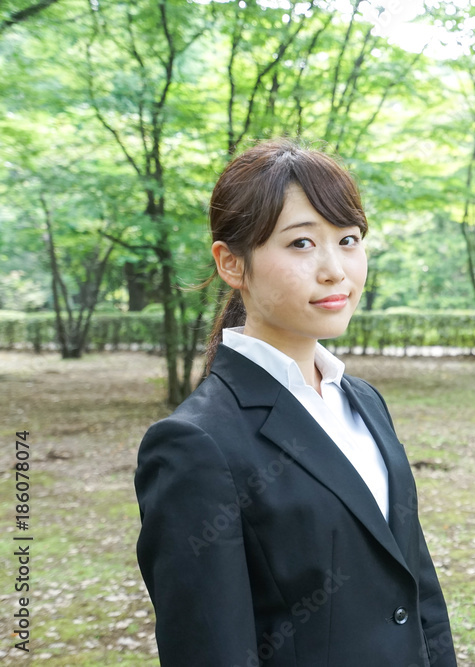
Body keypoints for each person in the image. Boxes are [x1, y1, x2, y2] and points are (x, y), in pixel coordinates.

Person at [133, 139, 456, 667]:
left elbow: (416, 590)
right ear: (232, 263)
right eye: (302, 243)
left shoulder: (363, 401)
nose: (335, 270)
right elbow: (209, 648)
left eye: (348, 240)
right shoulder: (195, 444)